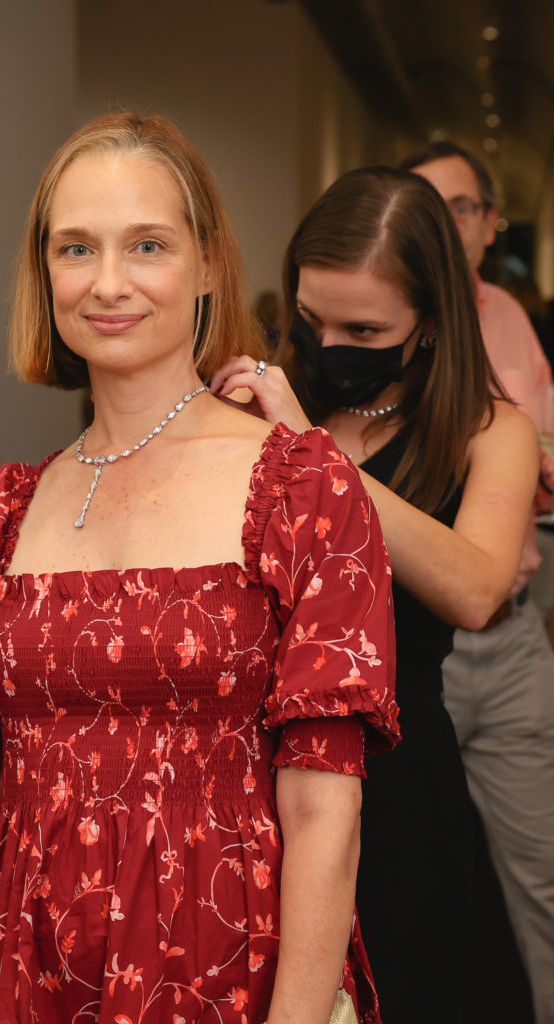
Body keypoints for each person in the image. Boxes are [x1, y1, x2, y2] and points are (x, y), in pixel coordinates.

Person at [0, 113, 399, 1024]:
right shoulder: (3, 516)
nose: (108, 283)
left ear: (208, 264)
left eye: (148, 244)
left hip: (225, 975)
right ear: (43, 272)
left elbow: (326, 814)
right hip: (27, 976)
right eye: (76, 248)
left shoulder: (301, 488)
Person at [210, 165, 540, 1024]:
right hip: (253, 771)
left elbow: (474, 587)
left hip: (400, 776)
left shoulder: (486, 429)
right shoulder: (259, 404)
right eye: (311, 321)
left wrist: (312, 455)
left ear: (428, 324)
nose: (329, 346)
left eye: (363, 328)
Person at [400, 141, 554, 1024]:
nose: (444, 223)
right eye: (425, 203)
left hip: (517, 638)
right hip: (422, 650)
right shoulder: (382, 327)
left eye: (461, 207)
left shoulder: (510, 320)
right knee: (419, 879)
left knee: (539, 876)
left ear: (490, 225)